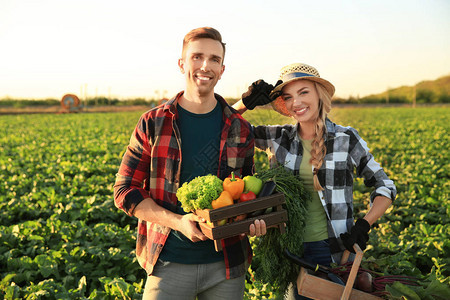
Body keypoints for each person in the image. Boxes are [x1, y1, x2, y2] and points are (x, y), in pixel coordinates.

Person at [114, 27, 266, 300]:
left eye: (214, 60)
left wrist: (253, 220)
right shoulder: (154, 123)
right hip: (168, 263)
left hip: (227, 267)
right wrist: (178, 222)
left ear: (222, 69)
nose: (205, 66)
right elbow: (125, 191)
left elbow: (245, 193)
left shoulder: (240, 128)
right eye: (197, 57)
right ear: (182, 63)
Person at [233, 62, 397, 299]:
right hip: (289, 251)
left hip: (334, 252)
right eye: (288, 97)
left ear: (319, 95)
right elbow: (227, 128)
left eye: (304, 92)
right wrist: (244, 104)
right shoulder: (278, 137)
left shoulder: (345, 138)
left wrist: (365, 224)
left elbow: (385, 186)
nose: (296, 103)